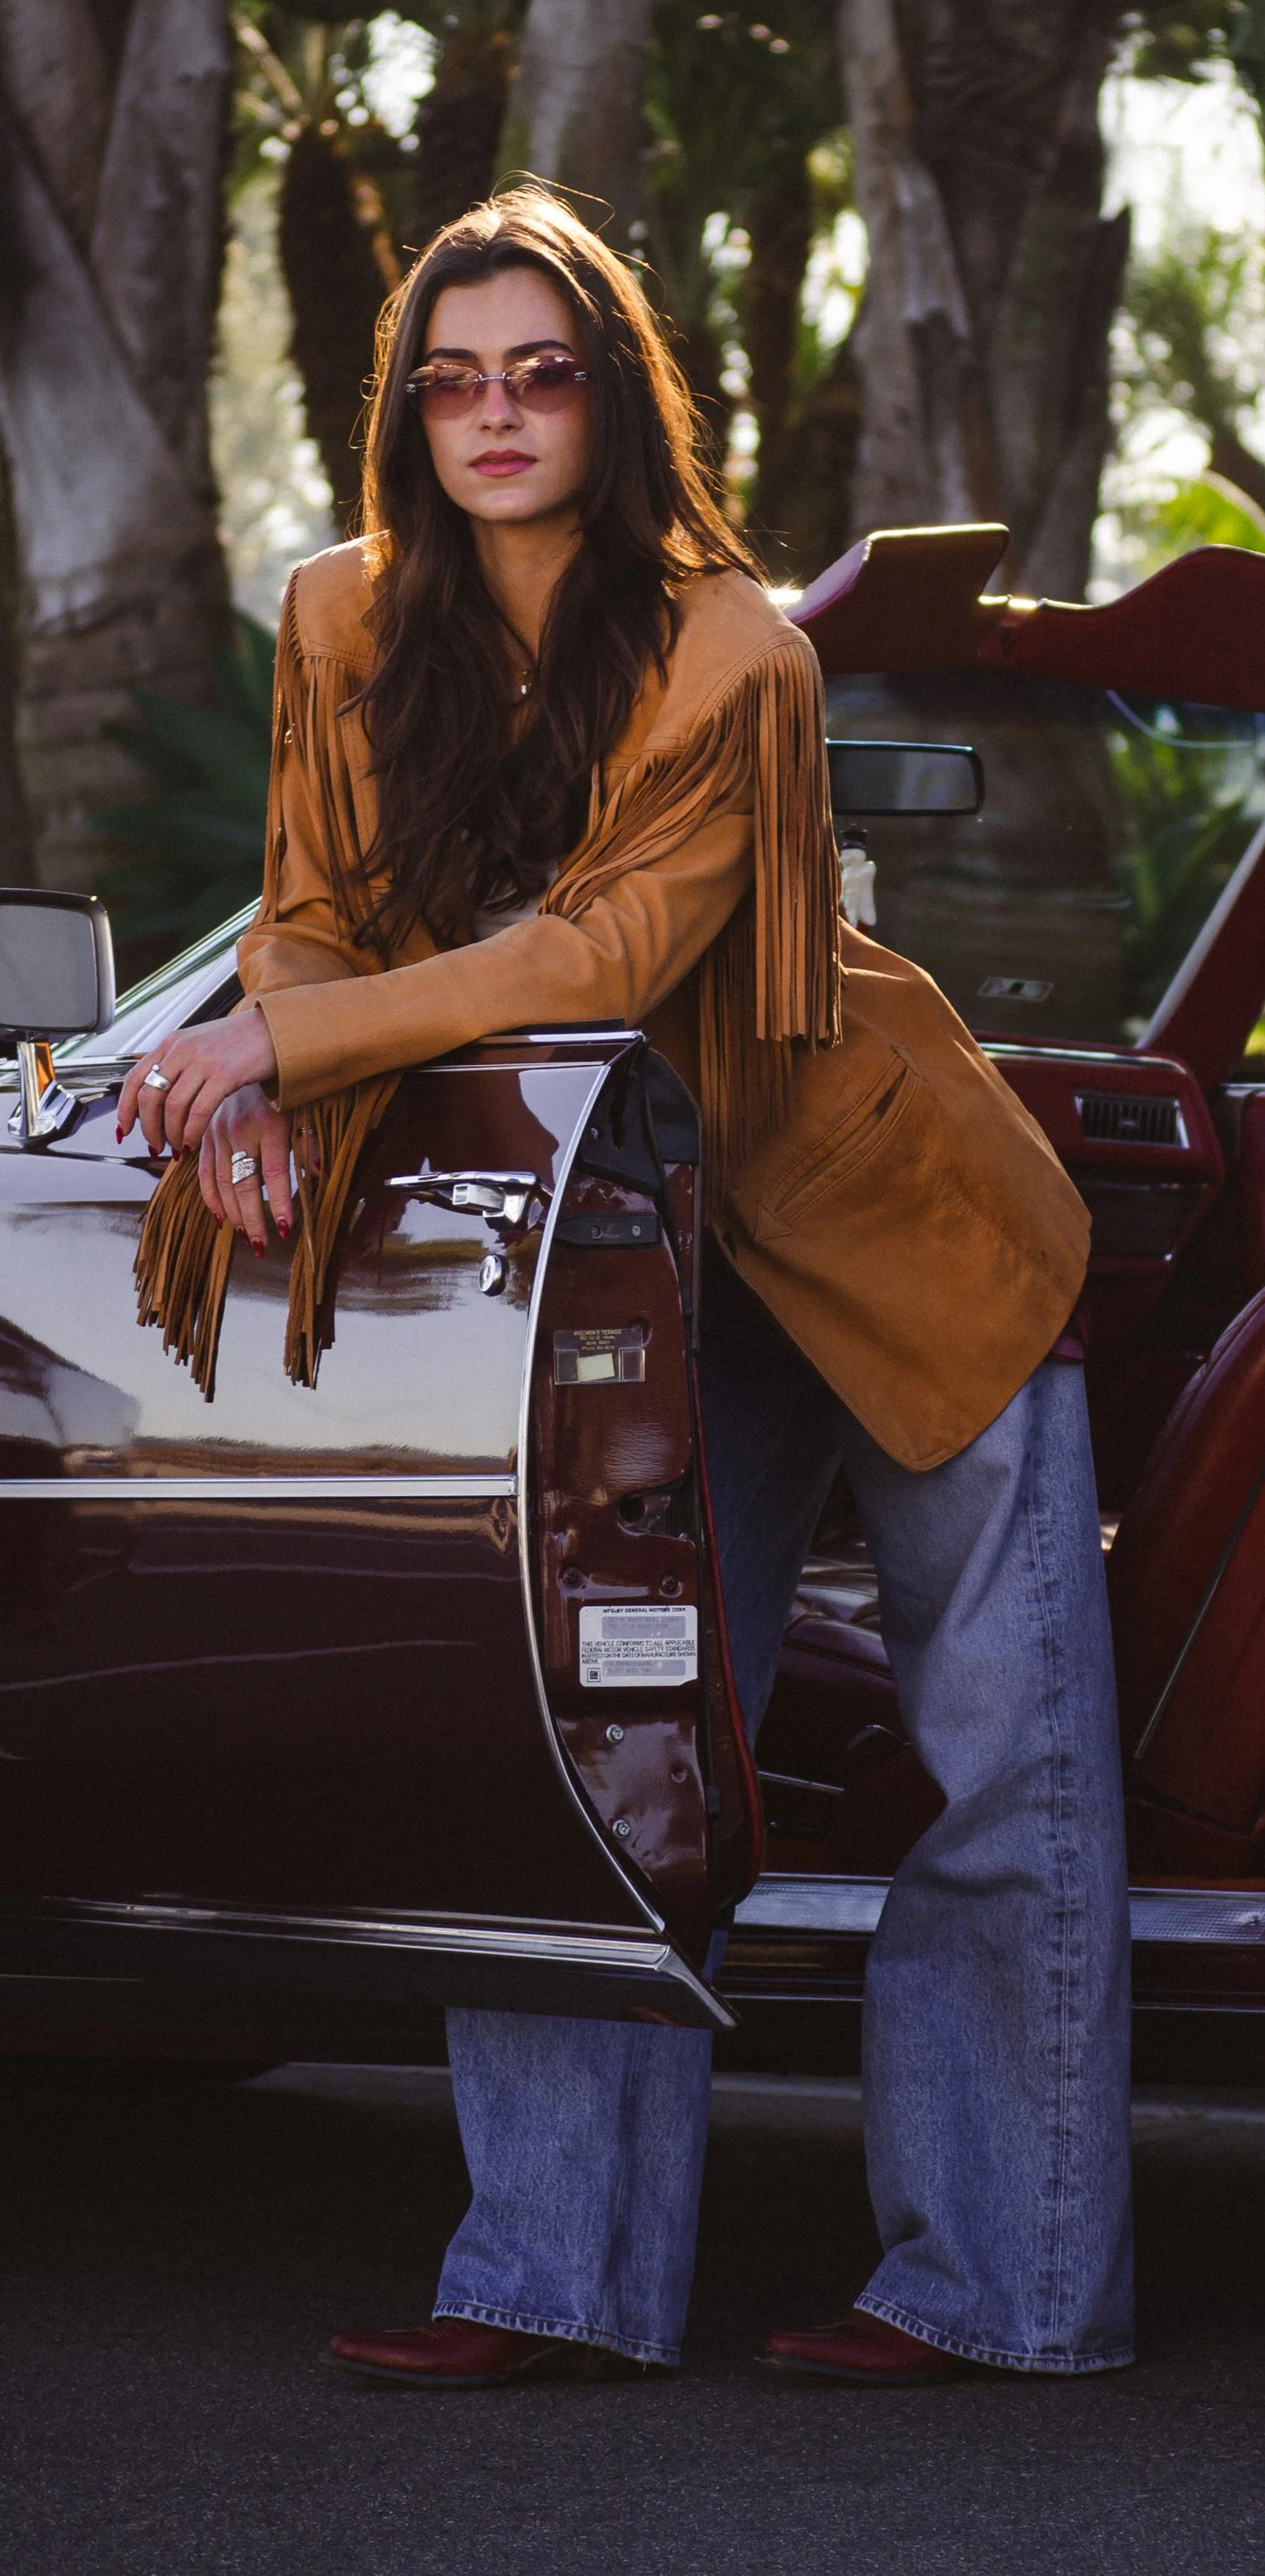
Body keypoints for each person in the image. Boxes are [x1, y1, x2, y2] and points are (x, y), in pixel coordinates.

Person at [120, 188, 1133, 2390]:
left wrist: (282, 1042)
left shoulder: (730, 647)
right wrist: (252, 1091)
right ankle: (553, 2281)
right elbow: (312, 916)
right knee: (571, 1756)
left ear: (610, 399)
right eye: (449, 379)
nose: (492, 414)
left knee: (998, 1776)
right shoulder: (336, 619)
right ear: (403, 411)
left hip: (891, 1220)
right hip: (607, 1261)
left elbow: (594, 959)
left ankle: (1002, 2291)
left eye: (540, 372)